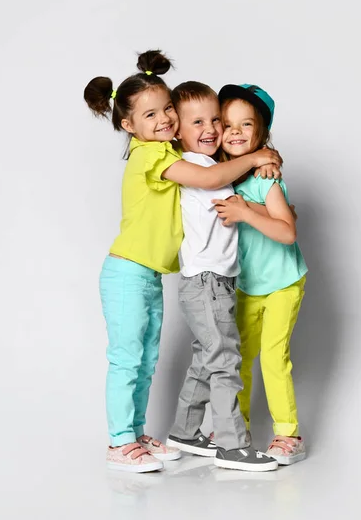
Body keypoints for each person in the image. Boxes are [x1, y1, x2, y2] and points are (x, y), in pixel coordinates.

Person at [83, 54, 282, 473]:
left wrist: (265, 155)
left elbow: (213, 154)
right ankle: (123, 441)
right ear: (127, 125)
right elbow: (211, 178)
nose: (165, 119)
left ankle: (143, 434)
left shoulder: (175, 151)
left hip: (151, 273)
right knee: (129, 358)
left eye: (167, 109)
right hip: (128, 271)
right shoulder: (153, 156)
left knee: (147, 358)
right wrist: (258, 155)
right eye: (150, 113)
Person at [165, 81, 279, 472]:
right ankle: (232, 444)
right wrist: (257, 157)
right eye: (197, 121)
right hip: (205, 280)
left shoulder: (214, 164)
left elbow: (238, 173)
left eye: (215, 118)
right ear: (177, 130)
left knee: (206, 358)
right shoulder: (195, 167)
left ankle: (184, 431)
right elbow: (219, 179)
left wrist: (266, 158)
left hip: (218, 281)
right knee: (225, 358)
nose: (211, 128)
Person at [212, 84, 308, 465]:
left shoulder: (267, 179)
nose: (235, 132)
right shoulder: (219, 175)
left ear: (261, 135)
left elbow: (287, 232)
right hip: (246, 287)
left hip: (284, 281)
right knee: (240, 357)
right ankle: (238, 429)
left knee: (272, 356)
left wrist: (247, 212)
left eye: (245, 124)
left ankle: (288, 434)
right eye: (228, 123)